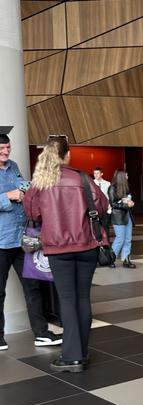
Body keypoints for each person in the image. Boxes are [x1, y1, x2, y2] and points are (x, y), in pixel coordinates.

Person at [23, 135, 108, 372]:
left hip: (58, 248)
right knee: (83, 298)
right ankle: (81, 351)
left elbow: (32, 211)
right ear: (67, 155)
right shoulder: (82, 178)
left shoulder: (41, 182)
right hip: (88, 246)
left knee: (67, 299)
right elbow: (101, 205)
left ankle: (72, 357)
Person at [0, 132, 61, 351]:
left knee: (33, 286)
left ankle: (41, 334)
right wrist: (9, 196)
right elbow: (13, 194)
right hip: (1, 241)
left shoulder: (14, 165)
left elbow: (24, 187)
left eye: (8, 148)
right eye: (2, 149)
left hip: (21, 238)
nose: (6, 152)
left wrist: (24, 190)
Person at [109, 170, 136, 269]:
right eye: (126, 175)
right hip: (118, 217)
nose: (128, 176)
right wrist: (125, 205)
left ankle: (126, 260)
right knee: (120, 239)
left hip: (127, 216)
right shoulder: (112, 188)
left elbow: (128, 199)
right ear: (121, 176)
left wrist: (130, 202)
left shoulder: (126, 187)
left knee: (128, 239)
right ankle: (111, 259)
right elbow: (113, 204)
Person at [93, 167, 111, 244]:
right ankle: (98, 243)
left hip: (105, 209)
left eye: (97, 173)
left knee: (105, 227)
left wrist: (109, 208)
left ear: (101, 174)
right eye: (94, 173)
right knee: (96, 227)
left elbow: (109, 196)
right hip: (96, 209)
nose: (95, 175)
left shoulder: (107, 184)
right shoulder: (92, 183)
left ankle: (107, 243)